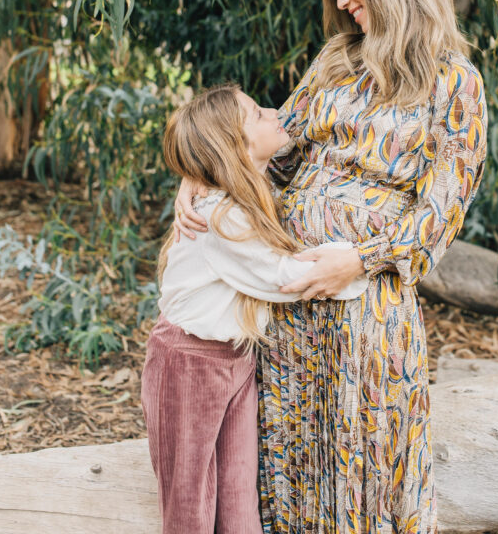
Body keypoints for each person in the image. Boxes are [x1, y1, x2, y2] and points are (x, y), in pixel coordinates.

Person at [175, 0, 488, 534]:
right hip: (288, 311)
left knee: (366, 473)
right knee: (291, 467)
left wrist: (361, 258)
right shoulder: (336, 63)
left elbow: (439, 214)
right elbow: (262, 143)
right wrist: (201, 173)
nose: (342, 1)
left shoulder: (454, 85)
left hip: (364, 315)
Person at [142, 84, 367, 534]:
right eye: (256, 114)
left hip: (236, 358)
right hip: (188, 361)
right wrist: (364, 262)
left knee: (239, 492)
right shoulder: (221, 217)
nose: (272, 111)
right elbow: (284, 278)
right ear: (235, 146)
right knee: (190, 500)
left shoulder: (244, 198)